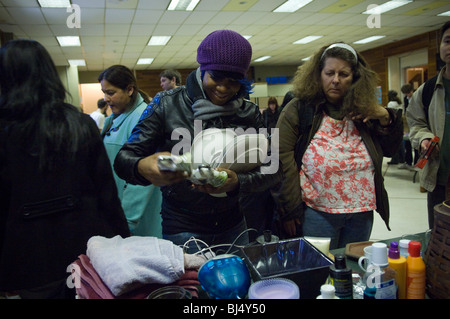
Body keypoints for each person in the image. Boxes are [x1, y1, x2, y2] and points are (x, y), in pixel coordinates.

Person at [114, 30, 282, 252]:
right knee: (192, 287)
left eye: (233, 82)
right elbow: (123, 160)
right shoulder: (167, 104)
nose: (223, 88)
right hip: (182, 226)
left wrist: (238, 182)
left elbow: (275, 169)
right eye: (216, 77)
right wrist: (142, 167)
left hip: (234, 224)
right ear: (203, 69)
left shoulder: (248, 112)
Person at [0, 39, 130, 298]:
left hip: (24, 258)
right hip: (85, 250)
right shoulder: (80, 124)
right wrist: (123, 244)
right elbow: (107, 195)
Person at [274, 42, 403, 249]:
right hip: (317, 212)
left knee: (351, 270)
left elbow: (390, 150)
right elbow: (280, 159)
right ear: (318, 75)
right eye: (329, 73)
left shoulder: (366, 111)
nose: (335, 80)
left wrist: (386, 117)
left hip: (361, 212)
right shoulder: (299, 109)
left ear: (355, 78)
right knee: (320, 271)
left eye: (343, 74)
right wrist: (289, 210)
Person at [99, 65, 163, 237]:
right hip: (118, 210)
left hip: (137, 218)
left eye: (111, 93)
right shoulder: (115, 119)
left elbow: (142, 179)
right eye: (104, 92)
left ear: (129, 90)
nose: (105, 98)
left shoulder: (143, 118)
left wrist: (126, 222)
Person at [406, 21, 450, 229]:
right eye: (448, 41)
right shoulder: (428, 89)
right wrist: (423, 137)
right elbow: (415, 122)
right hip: (439, 181)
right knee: (439, 240)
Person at [386, 90, 407, 167]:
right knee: (400, 141)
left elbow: (389, 114)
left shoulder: (391, 104)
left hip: (393, 124)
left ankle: (395, 159)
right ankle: (402, 158)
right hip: (400, 123)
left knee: (394, 141)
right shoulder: (399, 102)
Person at [401, 83, 418, 168]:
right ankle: (408, 162)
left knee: (416, 144)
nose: (407, 95)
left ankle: (416, 163)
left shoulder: (417, 97)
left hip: (416, 122)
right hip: (408, 123)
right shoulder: (405, 99)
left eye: (408, 93)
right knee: (407, 142)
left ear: (411, 91)